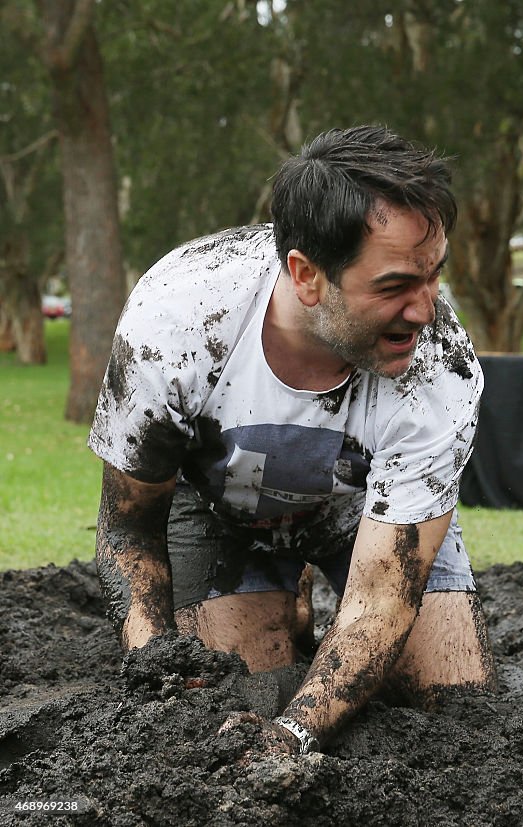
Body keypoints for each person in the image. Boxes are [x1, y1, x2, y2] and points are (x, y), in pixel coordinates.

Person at [89, 125, 497, 755]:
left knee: (459, 703)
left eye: (434, 274)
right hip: (225, 512)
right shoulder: (176, 324)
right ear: (306, 276)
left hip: (366, 513)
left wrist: (295, 736)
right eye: (393, 287)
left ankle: (311, 589)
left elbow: (383, 593)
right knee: (227, 697)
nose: (424, 309)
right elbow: (130, 529)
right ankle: (290, 598)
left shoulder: (440, 364)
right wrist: (157, 670)